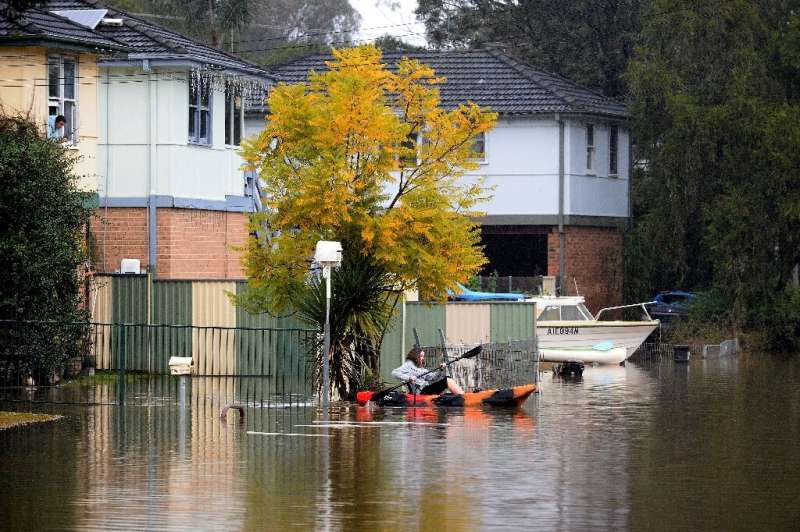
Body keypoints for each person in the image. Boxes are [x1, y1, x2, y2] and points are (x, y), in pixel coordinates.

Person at [392, 347, 465, 396]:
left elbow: (433, 377)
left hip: (426, 389)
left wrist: (440, 369)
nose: (423, 358)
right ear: (415, 356)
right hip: (420, 392)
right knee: (447, 380)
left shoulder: (421, 368)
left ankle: (461, 395)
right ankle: (463, 397)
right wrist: (409, 378)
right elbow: (394, 373)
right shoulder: (408, 365)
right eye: (421, 356)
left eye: (423, 356)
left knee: (448, 378)